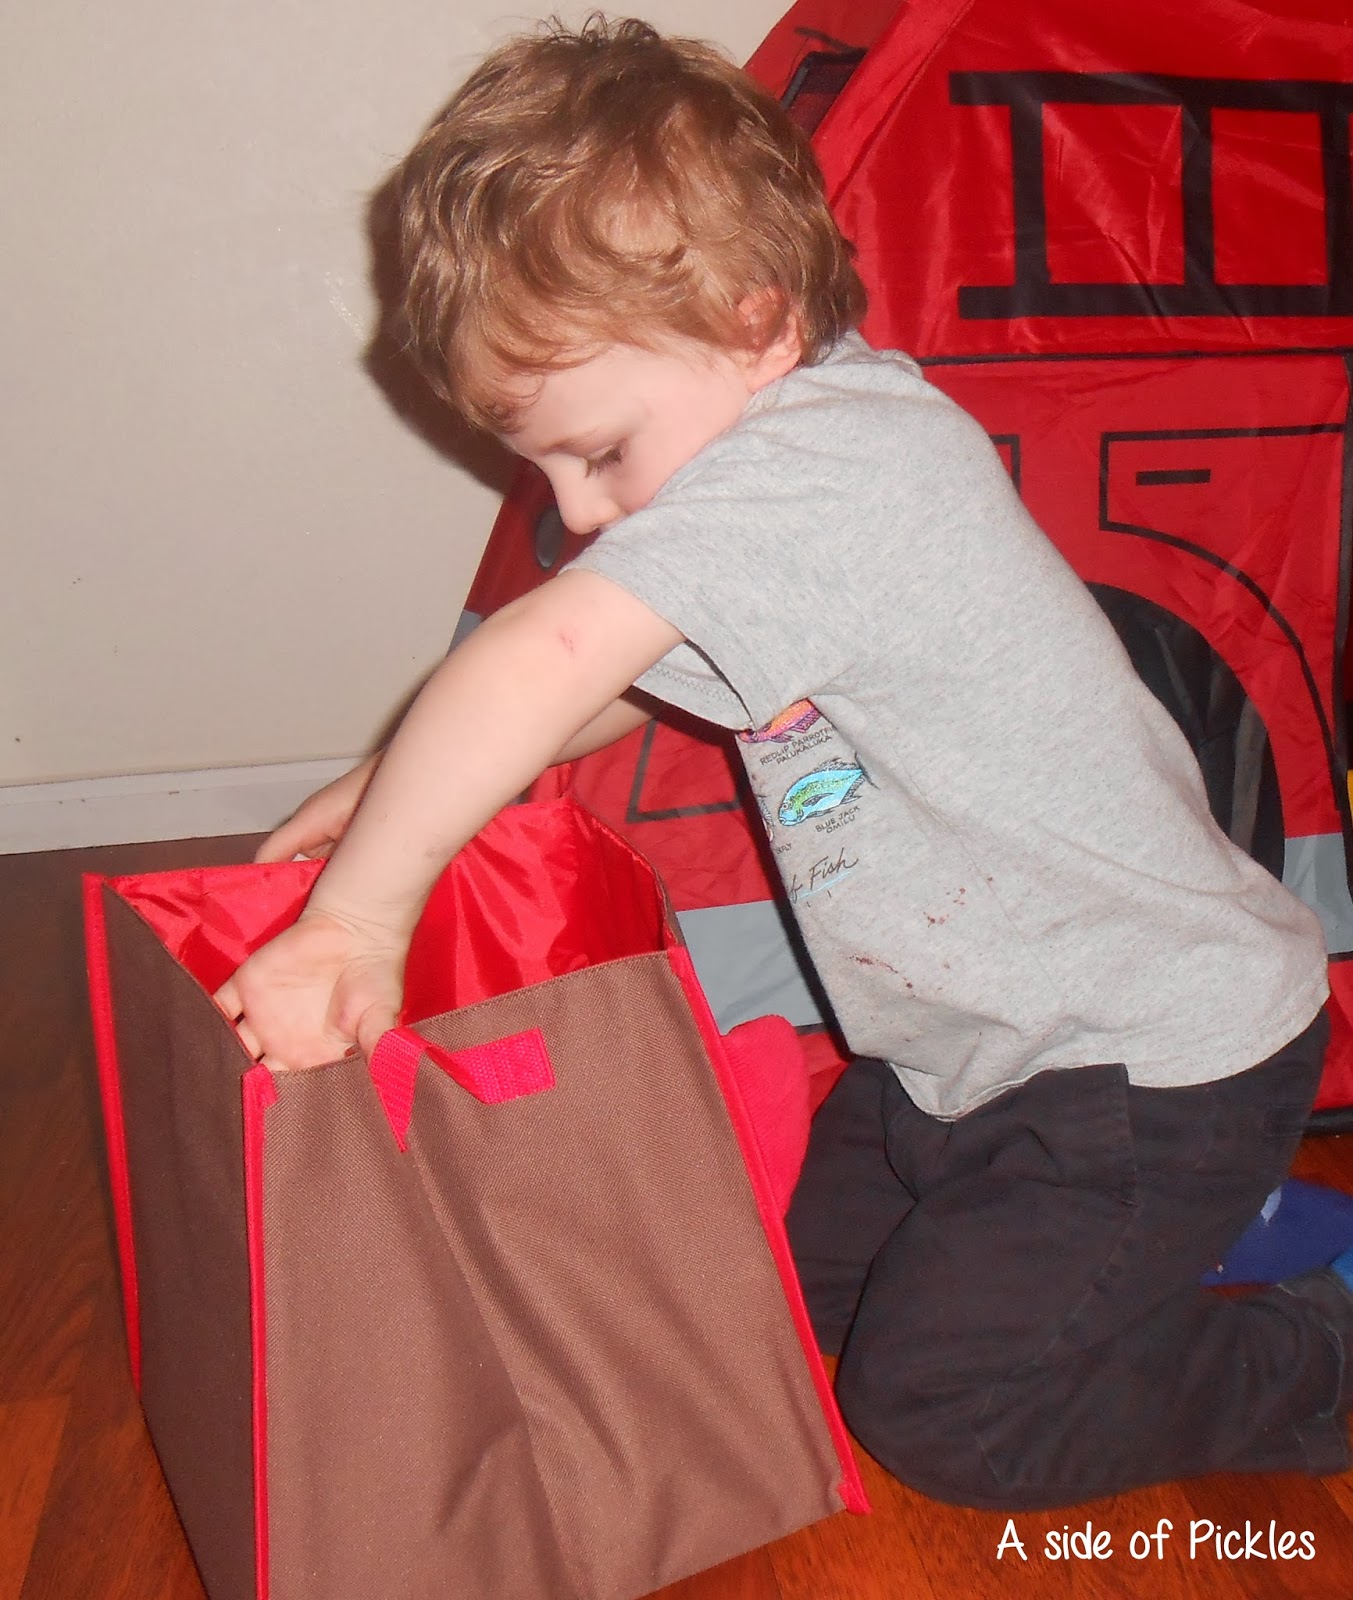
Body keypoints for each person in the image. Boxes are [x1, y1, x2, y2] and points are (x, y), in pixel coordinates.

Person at [216, 14, 1353, 1509]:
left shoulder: (826, 471)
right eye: (542, 468)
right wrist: (396, 787)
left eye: (598, 453)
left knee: (945, 1413)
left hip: (1148, 1063)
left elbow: (552, 649)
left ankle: (1312, 1358)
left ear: (755, 322)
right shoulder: (781, 450)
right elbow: (617, 677)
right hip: (976, 1052)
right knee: (791, 1304)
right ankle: (1183, 1247)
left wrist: (360, 919)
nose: (580, 512)